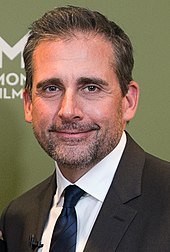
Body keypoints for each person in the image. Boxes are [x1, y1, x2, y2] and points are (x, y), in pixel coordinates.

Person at [0, 5, 170, 252]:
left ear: (128, 101)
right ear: (28, 104)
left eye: (91, 88)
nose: (68, 110)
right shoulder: (17, 218)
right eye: (51, 88)